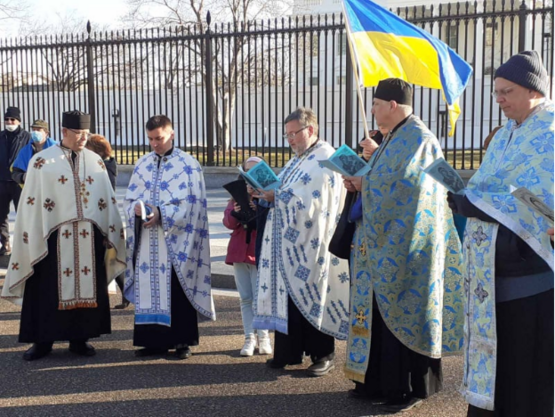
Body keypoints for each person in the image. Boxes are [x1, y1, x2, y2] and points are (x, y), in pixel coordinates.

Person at [343, 78, 464, 413]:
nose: (372, 111)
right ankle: (376, 381)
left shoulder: (419, 138)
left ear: (393, 105)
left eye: (376, 105)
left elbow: (413, 187)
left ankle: (405, 386)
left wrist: (366, 182)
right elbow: (384, 176)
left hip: (412, 248)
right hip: (380, 242)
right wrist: (360, 180)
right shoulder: (393, 137)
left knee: (402, 310)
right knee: (378, 313)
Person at [448, 51, 555, 417]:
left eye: (506, 92)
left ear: (533, 91)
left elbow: (536, 196)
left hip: (532, 275)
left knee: (526, 371)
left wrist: (474, 204)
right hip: (491, 272)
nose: (498, 100)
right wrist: (462, 198)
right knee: (497, 362)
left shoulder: (550, 131)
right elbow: (486, 183)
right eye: (496, 92)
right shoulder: (507, 131)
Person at [1, 110, 127, 361]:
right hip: (52, 238)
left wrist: (108, 229)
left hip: (89, 236)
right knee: (46, 289)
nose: (83, 138)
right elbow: (30, 204)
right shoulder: (42, 162)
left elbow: (107, 199)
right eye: (78, 133)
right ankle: (42, 341)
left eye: (85, 133)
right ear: (64, 132)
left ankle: (80, 339)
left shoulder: (95, 161)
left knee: (89, 286)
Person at [253, 107, 350, 377]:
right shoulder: (297, 159)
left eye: (293, 133)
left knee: (316, 294)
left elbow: (317, 203)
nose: (290, 140)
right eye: (287, 135)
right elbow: (286, 189)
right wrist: (264, 192)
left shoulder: (326, 157)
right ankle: (288, 351)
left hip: (315, 243)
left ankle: (323, 354)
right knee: (290, 299)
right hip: (290, 243)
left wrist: (278, 197)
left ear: (310, 130)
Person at [124, 115, 215, 360]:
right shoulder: (142, 164)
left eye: (159, 138)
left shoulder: (188, 165)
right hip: (147, 240)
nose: (155, 143)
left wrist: (162, 213)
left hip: (177, 242)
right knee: (148, 288)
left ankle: (182, 341)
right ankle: (153, 342)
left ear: (171, 134)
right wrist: (136, 209)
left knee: (176, 288)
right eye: (151, 139)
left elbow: (193, 205)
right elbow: (130, 198)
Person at [223, 156, 272, 357]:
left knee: (261, 297)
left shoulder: (268, 194)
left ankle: (264, 338)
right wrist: (236, 212)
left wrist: (258, 207)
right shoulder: (236, 196)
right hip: (239, 251)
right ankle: (248, 338)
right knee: (245, 298)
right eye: (247, 171)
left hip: (259, 251)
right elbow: (227, 223)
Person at [85, 134, 129, 309]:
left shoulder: (102, 166)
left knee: (109, 257)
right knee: (110, 257)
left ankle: (124, 292)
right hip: (102, 214)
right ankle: (126, 293)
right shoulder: (107, 162)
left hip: (102, 216)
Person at [0, 107, 31, 255]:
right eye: (7, 119)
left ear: (19, 121)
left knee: (23, 214)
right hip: (2, 180)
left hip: (19, 182)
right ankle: (5, 243)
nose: (9, 122)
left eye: (12, 119)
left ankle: (23, 244)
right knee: (1, 214)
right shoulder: (1, 136)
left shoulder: (27, 137)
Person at [12, 119, 57, 186]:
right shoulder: (25, 151)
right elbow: (15, 172)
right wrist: (23, 177)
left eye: (38, 130)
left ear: (46, 133)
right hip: (32, 188)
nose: (35, 132)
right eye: (34, 130)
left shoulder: (56, 149)